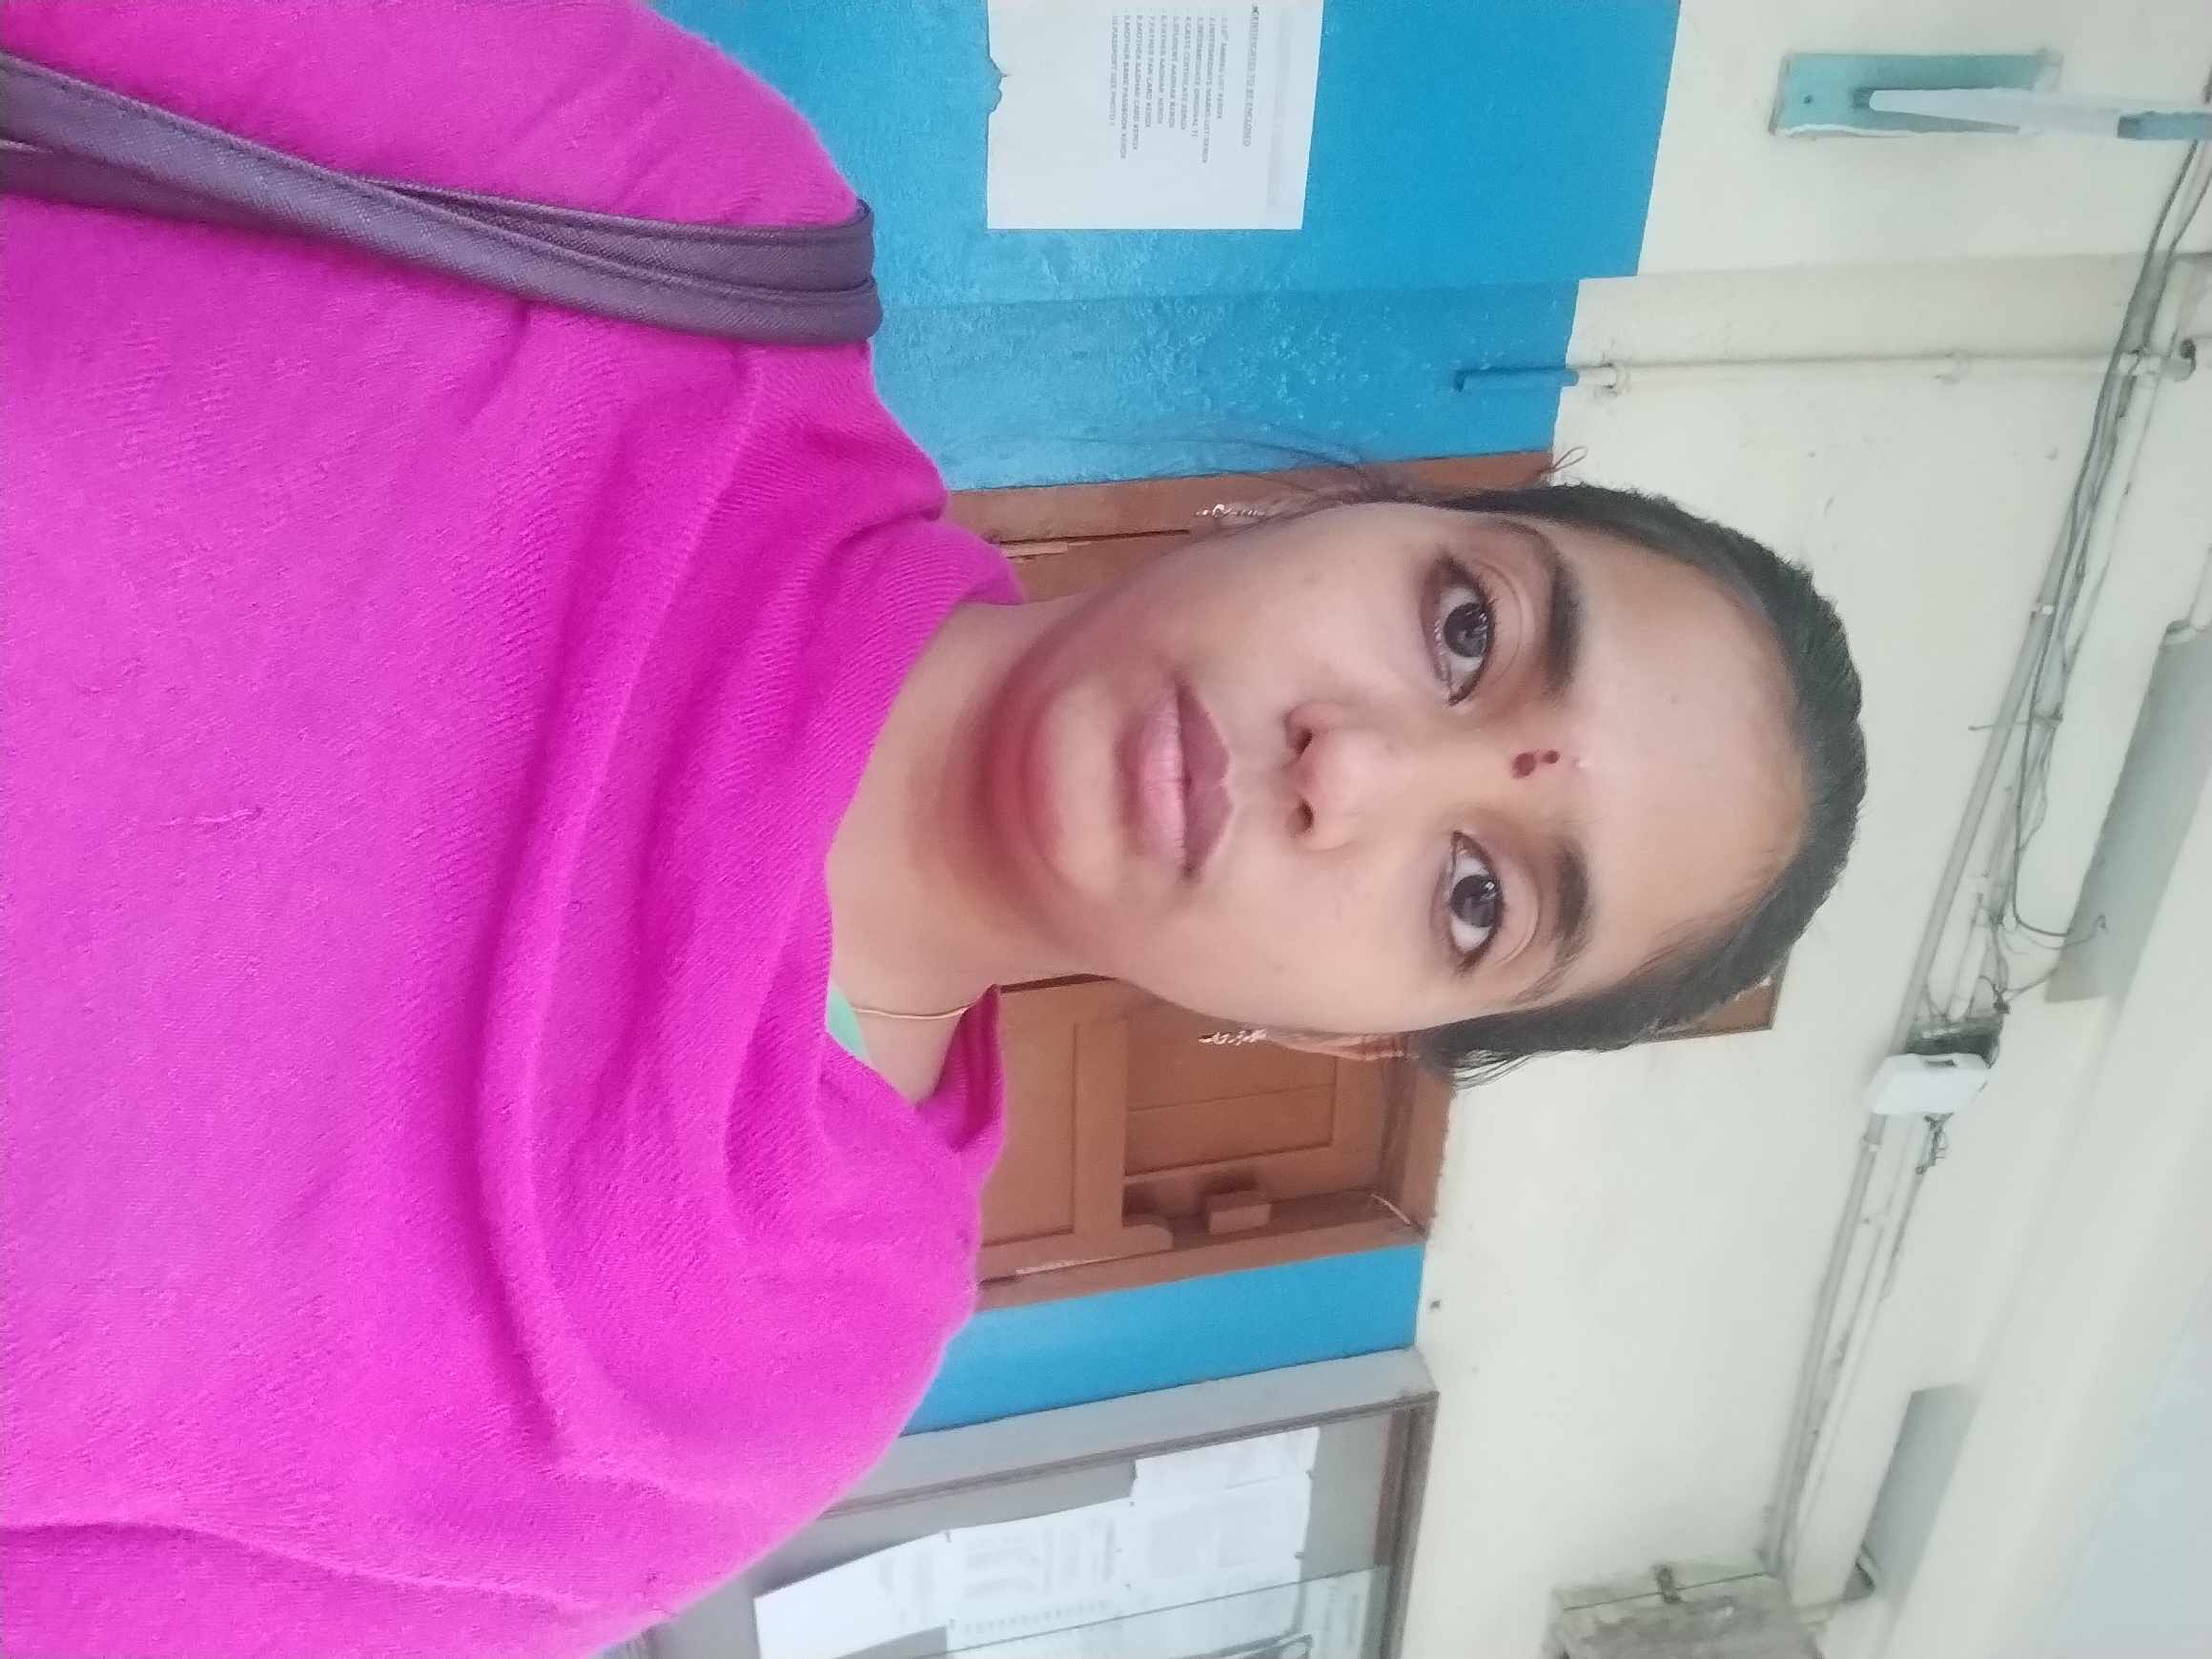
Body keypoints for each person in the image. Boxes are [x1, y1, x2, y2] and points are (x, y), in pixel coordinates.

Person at [0, 4, 1865, 1656]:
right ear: (1337, 513)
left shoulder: (761, 1371)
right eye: (1463, 630)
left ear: (1349, 1040)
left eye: (1471, 899)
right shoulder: (679, 235)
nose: (1351, 768)